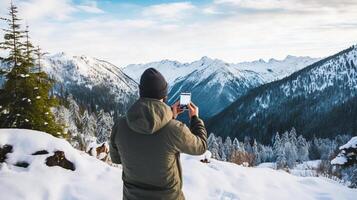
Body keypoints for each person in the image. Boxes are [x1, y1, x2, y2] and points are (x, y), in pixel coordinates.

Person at [110, 68, 207, 200]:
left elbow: (116, 159)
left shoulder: (120, 126)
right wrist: (195, 119)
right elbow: (200, 146)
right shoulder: (175, 130)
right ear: (164, 96)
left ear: (141, 94)